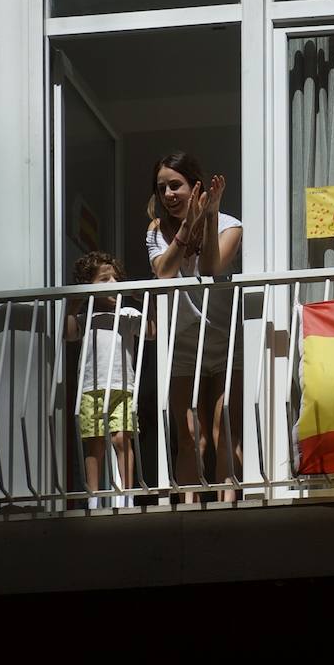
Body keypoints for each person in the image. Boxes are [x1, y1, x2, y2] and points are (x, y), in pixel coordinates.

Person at [146, 152, 244, 502]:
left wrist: (210, 214)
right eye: (162, 189)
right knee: (188, 433)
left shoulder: (230, 225)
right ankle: (188, 508)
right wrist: (188, 226)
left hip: (222, 337)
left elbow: (212, 268)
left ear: (195, 185)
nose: (169, 194)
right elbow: (164, 272)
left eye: (176, 185)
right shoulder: (157, 232)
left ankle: (227, 508)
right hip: (181, 340)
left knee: (225, 430)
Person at [65, 252, 146, 510]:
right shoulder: (84, 317)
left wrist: (145, 298)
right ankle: (94, 497)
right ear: (90, 286)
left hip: (123, 385)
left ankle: (126, 496)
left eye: (116, 278)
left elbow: (152, 333)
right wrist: (76, 301)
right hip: (90, 387)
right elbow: (67, 333)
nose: (112, 283)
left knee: (122, 439)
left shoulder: (128, 313)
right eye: (104, 279)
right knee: (95, 444)